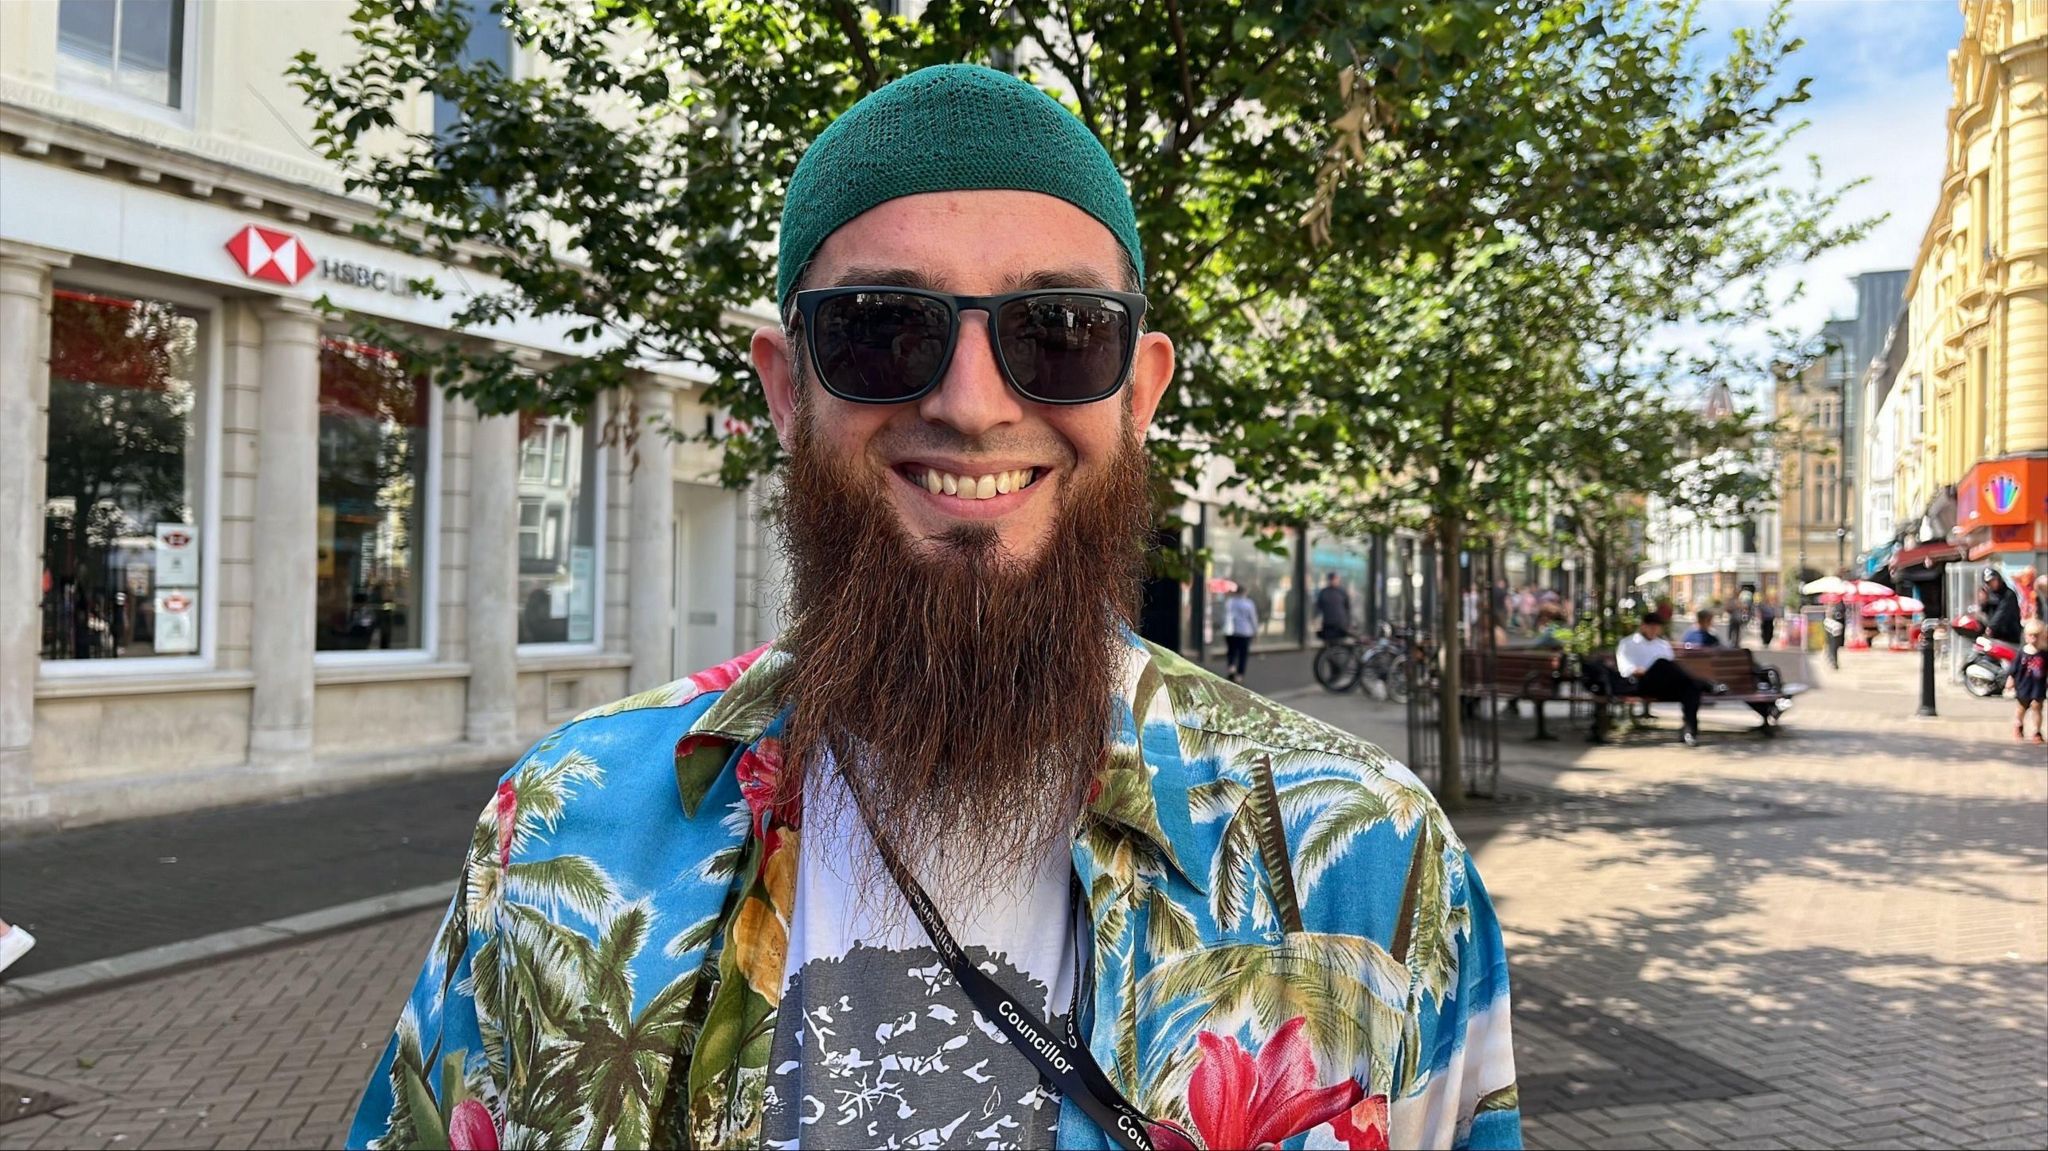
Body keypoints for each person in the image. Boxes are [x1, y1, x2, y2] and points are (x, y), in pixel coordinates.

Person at [348, 65, 1519, 1151]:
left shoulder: (1369, 855)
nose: (970, 402)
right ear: (785, 388)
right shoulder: (559, 824)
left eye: (1056, 334)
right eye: (879, 329)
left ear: (1139, 390)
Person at [1615, 611, 1720, 746]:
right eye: (1651, 626)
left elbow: (1674, 673)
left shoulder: (1663, 645)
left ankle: (1689, 732)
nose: (1654, 630)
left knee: (1691, 688)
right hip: (1641, 683)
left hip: (1664, 685)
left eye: (1656, 627)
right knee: (1662, 663)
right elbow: (1626, 670)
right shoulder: (1628, 643)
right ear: (1643, 626)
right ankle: (1705, 684)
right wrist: (1643, 670)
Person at [2014, 619, 2047, 743]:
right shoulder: (2022, 653)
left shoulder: (2044, 654)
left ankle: (2037, 731)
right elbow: (2014, 668)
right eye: (2031, 635)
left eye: (2037, 636)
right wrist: (2011, 680)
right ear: (2026, 636)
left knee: (2037, 706)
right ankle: (2018, 724)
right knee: (2022, 707)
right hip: (2024, 685)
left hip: (2038, 686)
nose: (2034, 638)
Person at [1221, 585, 1257, 684]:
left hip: (1231, 632)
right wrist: (1255, 631)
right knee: (1243, 655)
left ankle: (1231, 667)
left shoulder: (1230, 602)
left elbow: (1225, 616)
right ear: (1245, 592)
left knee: (1231, 651)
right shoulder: (1249, 604)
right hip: (1245, 632)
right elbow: (1253, 619)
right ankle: (1239, 675)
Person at [1980, 567, 2022, 645]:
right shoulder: (1990, 595)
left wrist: (1991, 627)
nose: (1992, 583)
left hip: (2010, 636)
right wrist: (1983, 602)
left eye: (1994, 580)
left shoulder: (2008, 594)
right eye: (1989, 582)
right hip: (1996, 636)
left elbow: (2002, 613)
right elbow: (1986, 611)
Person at [1314, 570, 1353, 643]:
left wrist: (1348, 623)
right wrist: (1316, 620)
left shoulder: (1342, 592)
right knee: (1329, 645)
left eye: (1336, 579)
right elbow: (1318, 607)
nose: (1334, 581)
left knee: (1341, 645)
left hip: (1341, 625)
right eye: (1332, 579)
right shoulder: (1324, 592)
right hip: (1328, 625)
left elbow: (1347, 608)